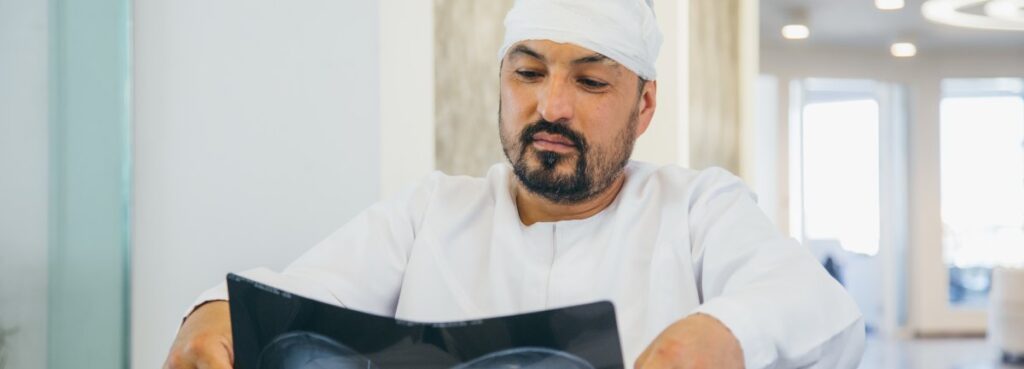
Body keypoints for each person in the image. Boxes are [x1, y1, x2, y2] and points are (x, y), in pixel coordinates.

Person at [164, 0, 865, 368]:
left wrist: (724, 333)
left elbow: (818, 306)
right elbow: (304, 298)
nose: (551, 106)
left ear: (645, 104)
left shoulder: (698, 209)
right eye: (528, 73)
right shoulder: (429, 213)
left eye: (590, 81)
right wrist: (212, 312)